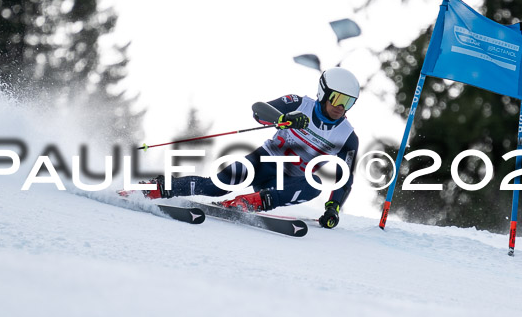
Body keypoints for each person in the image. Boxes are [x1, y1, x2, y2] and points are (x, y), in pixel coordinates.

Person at [144, 67, 360, 229]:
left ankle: (251, 202)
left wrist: (333, 208)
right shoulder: (298, 104)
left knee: (316, 185)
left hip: (285, 183)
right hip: (262, 162)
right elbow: (258, 110)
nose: (341, 107)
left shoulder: (347, 137)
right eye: (337, 99)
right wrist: (284, 118)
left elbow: (345, 178)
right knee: (214, 186)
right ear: (323, 93)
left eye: (348, 102)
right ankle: (156, 189)